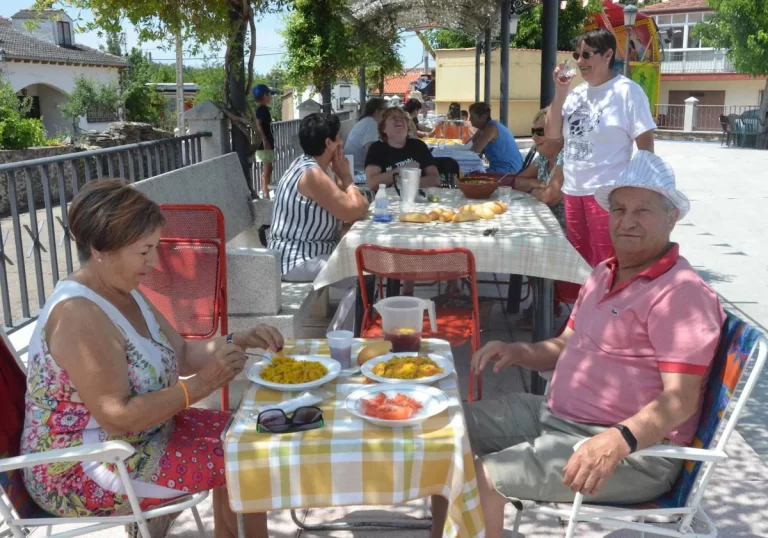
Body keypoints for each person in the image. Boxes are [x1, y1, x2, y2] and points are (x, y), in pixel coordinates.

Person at [447, 152, 725, 538]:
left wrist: (617, 440)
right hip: (555, 416)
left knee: (480, 478)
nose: (627, 221)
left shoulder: (681, 294)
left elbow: (680, 400)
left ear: (671, 216)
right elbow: (567, 344)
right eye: (620, 209)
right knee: (444, 433)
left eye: (643, 210)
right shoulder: (603, 271)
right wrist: (518, 353)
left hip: (635, 453)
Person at [20, 180, 285, 538]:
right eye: (144, 251)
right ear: (100, 249)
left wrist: (237, 339)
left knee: (247, 438)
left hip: (138, 437)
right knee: (244, 459)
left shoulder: (123, 291)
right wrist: (204, 384)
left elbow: (184, 353)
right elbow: (118, 417)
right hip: (80, 468)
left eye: (155, 248)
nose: (154, 262)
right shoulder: (79, 315)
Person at [546, 28, 656, 267]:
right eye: (577, 55)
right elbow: (552, 134)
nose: (579, 61)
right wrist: (560, 91)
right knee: (578, 263)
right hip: (573, 190)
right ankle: (585, 303)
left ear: (607, 55)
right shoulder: (574, 94)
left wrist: (641, 193)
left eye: (586, 55)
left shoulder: (627, 92)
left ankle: (608, 305)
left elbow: (646, 146)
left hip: (607, 194)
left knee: (606, 264)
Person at [268, 113, 369, 280]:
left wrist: (344, 182)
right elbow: (356, 211)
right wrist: (346, 177)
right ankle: (356, 307)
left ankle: (354, 306)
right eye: (339, 138)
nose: (342, 143)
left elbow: (358, 205)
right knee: (361, 273)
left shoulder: (315, 166)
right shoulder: (312, 175)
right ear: (328, 143)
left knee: (361, 267)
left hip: (310, 254)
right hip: (296, 259)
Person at [513, 107, 565, 229]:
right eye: (533, 131)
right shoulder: (543, 158)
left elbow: (549, 197)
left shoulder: (567, 157)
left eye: (540, 132)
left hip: (562, 232)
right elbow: (517, 182)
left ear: (559, 134)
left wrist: (532, 191)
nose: (534, 137)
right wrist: (534, 183)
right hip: (543, 223)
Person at [365, 107, 441, 189]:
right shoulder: (376, 149)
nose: (398, 119)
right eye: (393, 117)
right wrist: (402, 170)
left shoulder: (418, 146)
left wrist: (403, 184)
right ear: (383, 128)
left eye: (402, 117)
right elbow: (372, 183)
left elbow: (435, 180)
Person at [468, 102, 524, 174]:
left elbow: (474, 152)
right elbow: (469, 144)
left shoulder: (491, 128)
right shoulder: (484, 128)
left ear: (482, 117)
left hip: (508, 170)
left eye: (472, 116)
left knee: (472, 176)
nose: (469, 119)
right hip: (504, 168)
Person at [345, 98, 387, 173]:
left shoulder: (365, 121)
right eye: (386, 110)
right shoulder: (371, 124)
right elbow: (372, 153)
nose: (388, 113)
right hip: (358, 170)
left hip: (352, 167)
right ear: (377, 111)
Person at [253, 83, 279, 200]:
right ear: (264, 95)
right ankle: (265, 193)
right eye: (269, 94)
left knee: (268, 168)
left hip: (266, 142)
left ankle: (265, 191)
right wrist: (264, 140)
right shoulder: (261, 109)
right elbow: (258, 124)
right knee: (267, 168)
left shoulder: (262, 109)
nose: (271, 97)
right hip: (264, 143)